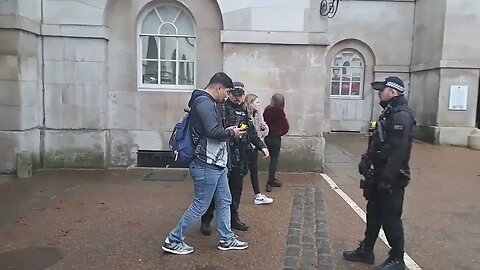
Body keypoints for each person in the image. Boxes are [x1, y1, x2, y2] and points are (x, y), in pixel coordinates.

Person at [162, 72, 248, 255]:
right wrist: (232, 133)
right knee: (200, 205)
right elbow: (213, 132)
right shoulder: (205, 103)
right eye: (227, 91)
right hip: (206, 164)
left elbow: (212, 131)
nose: (227, 96)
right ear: (219, 88)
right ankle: (173, 239)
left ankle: (227, 238)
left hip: (215, 163)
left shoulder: (204, 102)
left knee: (225, 200)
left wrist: (228, 131)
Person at [343, 76, 415, 270]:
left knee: (390, 217)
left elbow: (397, 152)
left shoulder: (401, 116)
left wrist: (387, 180)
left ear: (393, 92)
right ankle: (367, 250)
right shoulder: (389, 112)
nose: (379, 94)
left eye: (382, 90)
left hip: (391, 178)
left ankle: (397, 258)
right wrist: (366, 160)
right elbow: (380, 143)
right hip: (379, 175)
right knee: (373, 214)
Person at [200, 82, 270, 235]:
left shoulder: (245, 111)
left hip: (240, 156)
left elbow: (251, 132)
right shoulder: (219, 109)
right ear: (229, 94)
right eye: (234, 95)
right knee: (213, 191)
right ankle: (206, 220)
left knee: (236, 190)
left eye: (240, 96)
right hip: (222, 156)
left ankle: (233, 218)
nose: (237, 99)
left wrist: (261, 146)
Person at [244, 93, 274, 205]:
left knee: (254, 170)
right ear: (250, 104)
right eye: (257, 102)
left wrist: (264, 127)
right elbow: (249, 133)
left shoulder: (258, 114)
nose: (259, 105)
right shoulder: (245, 115)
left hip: (254, 146)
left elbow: (262, 132)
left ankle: (258, 195)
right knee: (241, 172)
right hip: (246, 147)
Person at [263, 93, 289, 192]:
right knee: (274, 159)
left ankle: (271, 180)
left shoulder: (267, 109)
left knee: (272, 157)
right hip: (275, 138)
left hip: (267, 137)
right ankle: (271, 180)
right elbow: (285, 126)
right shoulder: (280, 112)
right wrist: (280, 132)